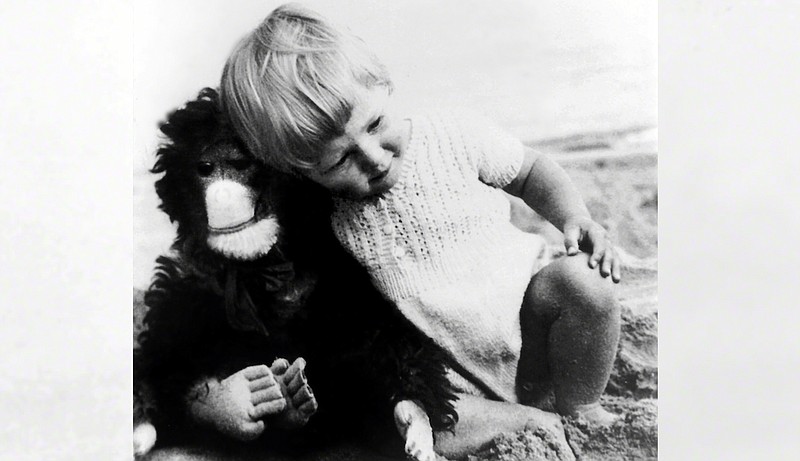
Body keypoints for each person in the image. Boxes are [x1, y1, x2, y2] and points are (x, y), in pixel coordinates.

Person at [220, 4, 622, 457]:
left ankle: (580, 406)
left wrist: (573, 217)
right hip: (452, 381)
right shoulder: (320, 219)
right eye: (340, 160)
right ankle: (533, 423)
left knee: (584, 282)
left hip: (532, 328)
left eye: (375, 124)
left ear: (383, 85)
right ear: (299, 169)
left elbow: (529, 171)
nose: (372, 156)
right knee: (410, 416)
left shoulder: (452, 135)